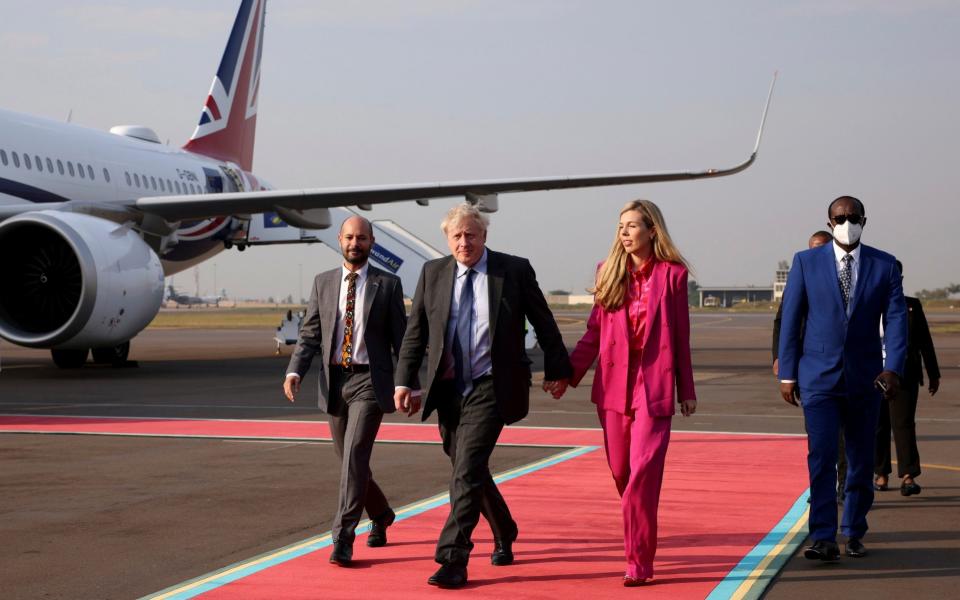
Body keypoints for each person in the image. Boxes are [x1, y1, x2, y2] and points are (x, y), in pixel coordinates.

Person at [393, 203, 571, 588]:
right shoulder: (433, 273)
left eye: (471, 234)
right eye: (456, 236)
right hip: (450, 389)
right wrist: (405, 381)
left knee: (467, 468)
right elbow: (416, 332)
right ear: (447, 239)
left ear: (484, 236)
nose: (464, 242)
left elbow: (543, 320)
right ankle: (504, 528)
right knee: (466, 468)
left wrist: (558, 369)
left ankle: (453, 559)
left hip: (493, 385)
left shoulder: (513, 270)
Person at [553, 199, 696, 586]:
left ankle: (638, 560)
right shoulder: (608, 272)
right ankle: (640, 525)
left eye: (633, 226)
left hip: (655, 385)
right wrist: (568, 374)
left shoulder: (673, 276)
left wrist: (687, 387)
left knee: (643, 474)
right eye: (621, 227)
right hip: (614, 387)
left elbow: (681, 336)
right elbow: (594, 332)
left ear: (652, 230)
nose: (625, 233)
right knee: (621, 472)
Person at [778, 196, 907, 562]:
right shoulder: (806, 262)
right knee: (820, 458)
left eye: (852, 217)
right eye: (839, 217)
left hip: (867, 377)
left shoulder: (884, 265)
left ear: (864, 220)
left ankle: (853, 530)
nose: (846, 222)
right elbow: (791, 319)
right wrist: (787, 373)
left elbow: (897, 319)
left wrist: (893, 367)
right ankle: (822, 536)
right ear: (829, 220)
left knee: (860, 458)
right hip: (818, 376)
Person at [284, 215, 414, 566]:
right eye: (349, 237)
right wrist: (296, 369)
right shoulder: (323, 282)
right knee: (350, 462)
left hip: (370, 382)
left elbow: (402, 340)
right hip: (333, 381)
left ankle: (342, 537)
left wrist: (409, 384)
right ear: (340, 240)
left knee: (355, 455)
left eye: (362, 238)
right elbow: (311, 332)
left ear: (372, 242)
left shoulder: (388, 284)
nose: (355, 243)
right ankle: (382, 513)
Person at [772, 230, 849, 505]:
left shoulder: (845, 278)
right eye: (812, 247)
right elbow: (783, 323)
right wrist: (781, 361)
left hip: (844, 369)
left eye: (821, 247)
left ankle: (844, 485)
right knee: (817, 435)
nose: (815, 252)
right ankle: (822, 488)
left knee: (843, 435)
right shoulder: (802, 274)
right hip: (809, 369)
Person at [874, 260, 941, 496]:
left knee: (903, 424)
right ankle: (881, 473)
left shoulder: (911, 306)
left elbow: (925, 342)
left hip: (903, 375)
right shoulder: (868, 306)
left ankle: (908, 475)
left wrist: (933, 374)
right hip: (873, 374)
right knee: (878, 426)